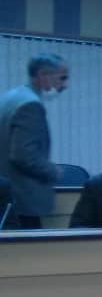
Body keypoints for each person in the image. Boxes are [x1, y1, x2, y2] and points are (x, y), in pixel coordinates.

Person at [0, 53, 69, 228]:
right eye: (62, 78)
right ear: (43, 75)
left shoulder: (9, 98)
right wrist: (54, 171)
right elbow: (23, 155)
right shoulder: (30, 105)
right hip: (22, 198)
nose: (65, 85)